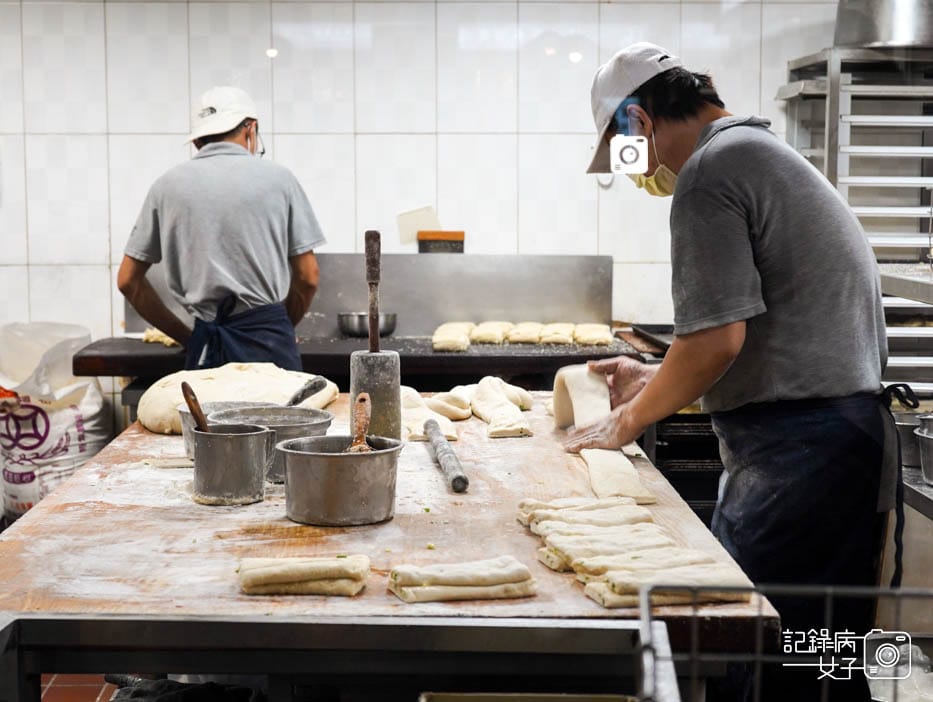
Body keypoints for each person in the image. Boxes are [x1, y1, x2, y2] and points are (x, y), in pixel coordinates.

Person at [566, 42, 898, 701]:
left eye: (624, 152)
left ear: (637, 122)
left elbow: (716, 341)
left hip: (803, 455)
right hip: (833, 441)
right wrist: (656, 372)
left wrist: (627, 418)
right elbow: (754, 331)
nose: (633, 171)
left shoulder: (710, 172)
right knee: (813, 653)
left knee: (770, 655)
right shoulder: (752, 155)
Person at [117, 86, 325, 371]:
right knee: (276, 416)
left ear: (197, 141)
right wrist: (276, 327)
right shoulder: (280, 180)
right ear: (251, 129)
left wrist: (188, 338)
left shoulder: (166, 186)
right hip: (268, 343)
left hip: (206, 344)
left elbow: (128, 280)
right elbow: (308, 276)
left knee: (206, 417)